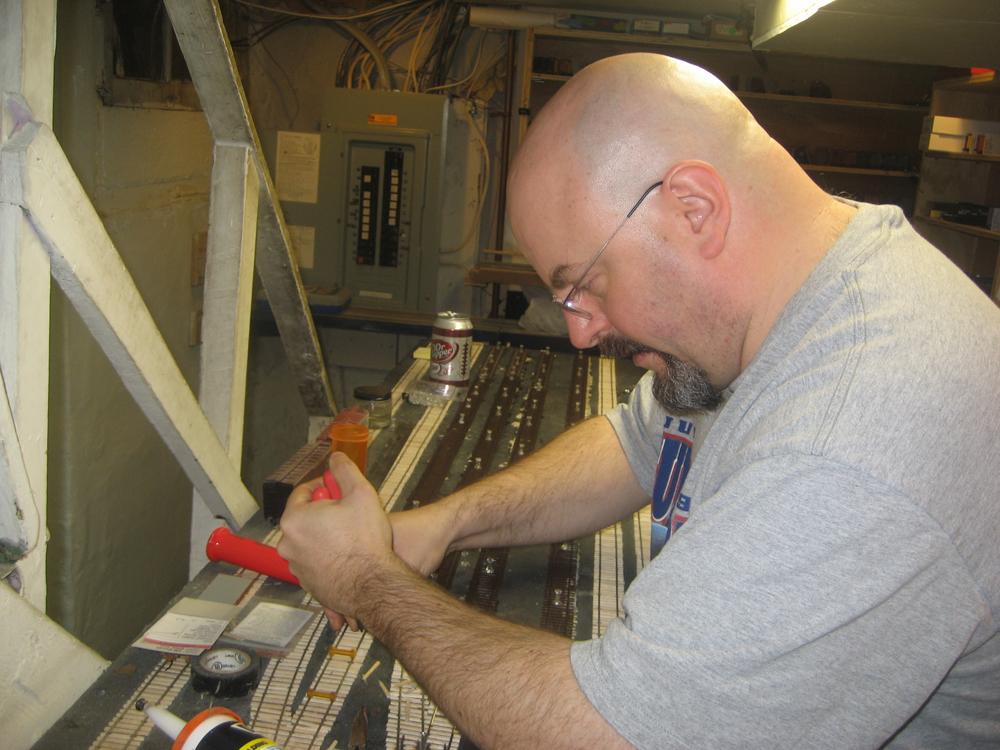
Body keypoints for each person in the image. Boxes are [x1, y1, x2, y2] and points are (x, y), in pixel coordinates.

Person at [278, 53, 1000, 749]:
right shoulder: (795, 290)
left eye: (584, 283)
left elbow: (611, 736)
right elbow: (639, 444)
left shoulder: (851, 444)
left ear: (694, 208)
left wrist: (369, 581)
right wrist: (443, 525)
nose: (580, 332)